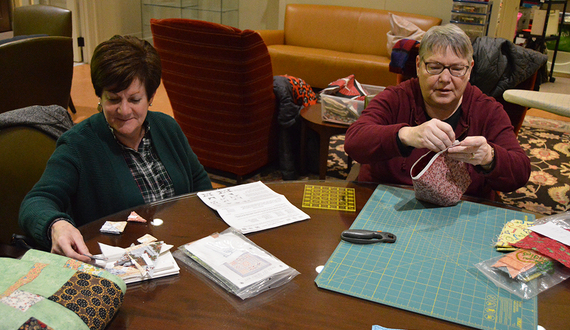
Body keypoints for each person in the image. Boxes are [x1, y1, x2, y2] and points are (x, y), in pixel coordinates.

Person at [19, 35, 212, 262]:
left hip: (182, 251)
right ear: (99, 96)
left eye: (134, 99)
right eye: (113, 99)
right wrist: (56, 225)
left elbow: (199, 182)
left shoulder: (166, 127)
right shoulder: (78, 145)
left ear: (150, 97)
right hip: (123, 264)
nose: (123, 110)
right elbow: (36, 201)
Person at [344, 24, 530, 200]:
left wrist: (490, 157)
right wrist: (406, 135)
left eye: (457, 69)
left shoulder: (487, 110)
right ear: (418, 65)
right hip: (390, 201)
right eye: (434, 67)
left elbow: (520, 171)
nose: (445, 79)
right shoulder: (397, 97)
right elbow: (354, 142)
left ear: (470, 69)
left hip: (459, 212)